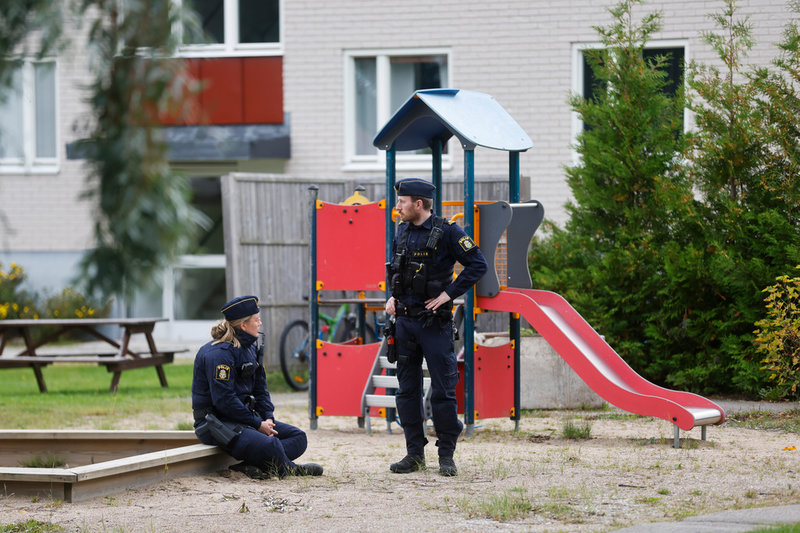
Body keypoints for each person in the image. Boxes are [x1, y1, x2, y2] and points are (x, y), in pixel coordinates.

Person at [385, 178, 488, 477]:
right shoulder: (402, 230)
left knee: (443, 391)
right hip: (404, 323)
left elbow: (477, 264)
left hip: (435, 324)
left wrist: (449, 294)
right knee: (407, 392)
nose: (398, 207)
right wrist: (392, 296)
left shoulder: (448, 232)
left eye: (402, 202)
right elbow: (396, 269)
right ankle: (414, 454)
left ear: (418, 203)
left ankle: (446, 456)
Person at [192, 295, 323, 478]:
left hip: (245, 419)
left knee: (298, 438)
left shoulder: (250, 348)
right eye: (256, 320)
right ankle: (290, 469)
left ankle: (248, 466)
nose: (260, 323)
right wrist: (257, 424)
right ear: (243, 325)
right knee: (272, 445)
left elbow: (261, 389)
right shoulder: (218, 354)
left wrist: (267, 417)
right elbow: (224, 401)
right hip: (216, 423)